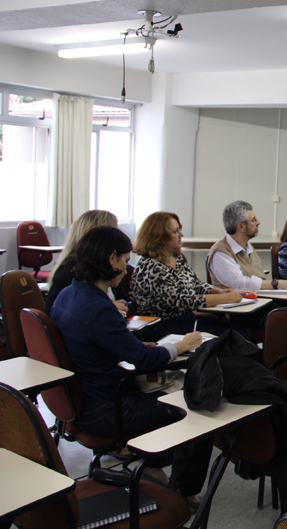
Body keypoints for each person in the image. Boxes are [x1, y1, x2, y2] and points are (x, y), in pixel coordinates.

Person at [50, 225, 211, 505]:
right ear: (111, 258)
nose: (126, 269)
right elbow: (142, 360)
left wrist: (135, 346)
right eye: (125, 260)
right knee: (199, 409)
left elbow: (99, 344)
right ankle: (181, 492)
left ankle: (152, 465)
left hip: (80, 405)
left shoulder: (68, 295)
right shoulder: (99, 307)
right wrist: (181, 346)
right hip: (108, 409)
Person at [130, 211, 245, 342]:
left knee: (238, 333)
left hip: (183, 320)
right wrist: (224, 298)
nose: (181, 235)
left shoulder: (177, 257)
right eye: (176, 232)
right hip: (159, 326)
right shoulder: (151, 267)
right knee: (234, 337)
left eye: (180, 230)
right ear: (159, 237)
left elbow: (195, 284)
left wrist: (218, 291)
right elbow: (182, 302)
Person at [207, 201, 287, 315]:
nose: (258, 222)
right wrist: (278, 283)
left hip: (260, 301)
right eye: (253, 220)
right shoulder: (220, 252)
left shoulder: (248, 247)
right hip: (240, 310)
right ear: (241, 226)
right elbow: (239, 284)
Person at [44, 209, 131, 317]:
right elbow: (53, 313)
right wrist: (106, 307)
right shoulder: (71, 268)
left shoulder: (107, 267)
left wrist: (121, 307)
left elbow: (127, 303)